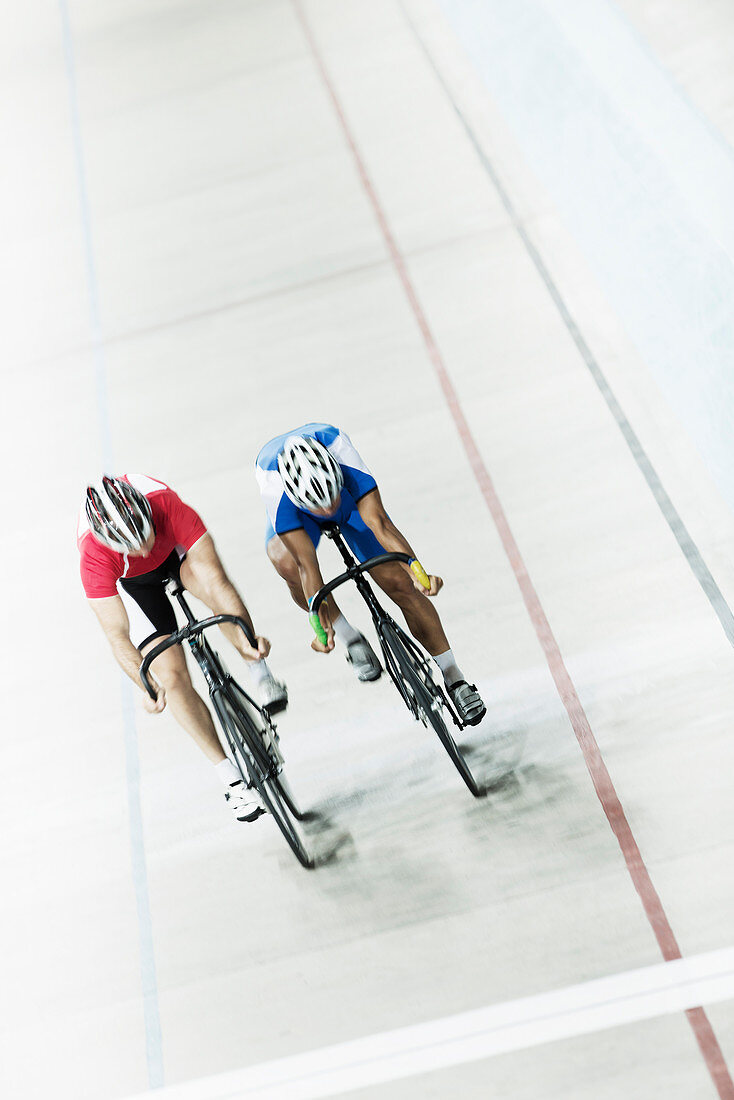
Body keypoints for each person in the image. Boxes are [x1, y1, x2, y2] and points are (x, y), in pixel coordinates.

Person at [79, 473, 287, 822]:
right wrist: (146, 685)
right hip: (133, 587)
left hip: (177, 556)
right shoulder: (94, 556)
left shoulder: (165, 503)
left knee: (210, 584)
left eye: (144, 535)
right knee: (170, 677)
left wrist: (245, 640)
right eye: (132, 546)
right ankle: (230, 778)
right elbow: (118, 635)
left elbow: (215, 577)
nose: (143, 549)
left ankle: (259, 670)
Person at [255, 424, 486, 725]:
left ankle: (454, 677)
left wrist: (416, 570)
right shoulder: (277, 490)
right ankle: (351, 638)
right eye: (320, 508)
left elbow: (381, 525)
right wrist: (321, 628)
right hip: (300, 516)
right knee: (286, 563)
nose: (328, 511)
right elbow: (306, 567)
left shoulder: (342, 454)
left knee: (401, 584)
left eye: (331, 502)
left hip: (351, 501)